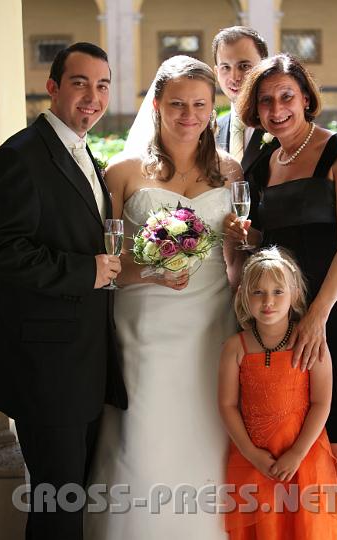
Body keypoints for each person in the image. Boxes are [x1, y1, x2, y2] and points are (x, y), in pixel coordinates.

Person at [85, 55, 242, 540]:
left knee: (209, 430)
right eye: (177, 104)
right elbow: (105, 264)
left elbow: (236, 258)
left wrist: (245, 240)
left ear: (212, 108)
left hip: (212, 322)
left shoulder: (232, 171)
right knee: (145, 433)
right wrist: (150, 269)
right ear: (157, 105)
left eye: (199, 104)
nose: (188, 114)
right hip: (144, 320)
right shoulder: (123, 172)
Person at [0, 42, 127, 540]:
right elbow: (3, 251)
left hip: (83, 364)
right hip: (47, 370)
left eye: (102, 85)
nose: (92, 97)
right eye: (79, 83)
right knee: (57, 510)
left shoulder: (81, 151)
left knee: (70, 503)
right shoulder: (19, 157)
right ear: (52, 87)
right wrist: (83, 272)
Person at [224, 53, 337, 535]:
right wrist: (242, 239)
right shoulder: (259, 165)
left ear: (305, 98)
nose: (277, 108)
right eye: (265, 100)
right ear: (254, 110)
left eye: (286, 96)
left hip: (335, 311)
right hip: (279, 318)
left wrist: (319, 314)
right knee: (295, 442)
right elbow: (269, 245)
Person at [219, 246, 337, 539]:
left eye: (278, 292)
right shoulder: (234, 348)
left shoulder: (310, 343)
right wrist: (251, 453)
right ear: (243, 296)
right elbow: (227, 405)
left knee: (307, 528)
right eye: (258, 293)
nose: (268, 301)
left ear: (295, 295)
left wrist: (297, 453)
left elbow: (321, 402)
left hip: (305, 459)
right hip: (254, 462)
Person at [212, 26, 279, 176]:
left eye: (244, 66)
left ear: (264, 67)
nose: (234, 76)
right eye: (225, 67)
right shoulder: (210, 131)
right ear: (216, 72)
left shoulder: (283, 123)